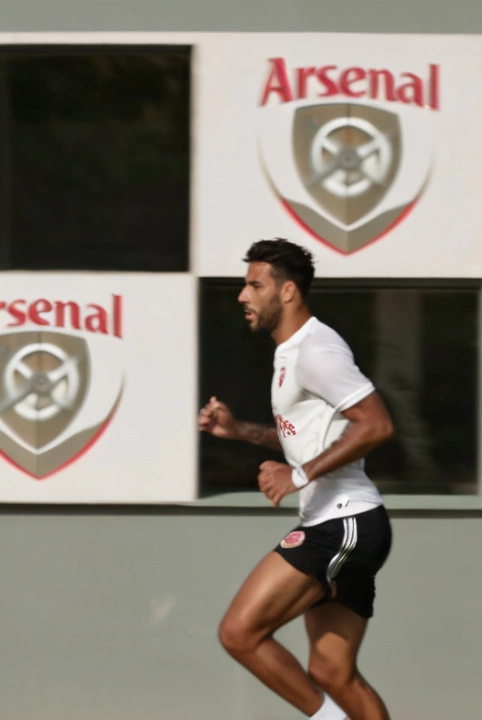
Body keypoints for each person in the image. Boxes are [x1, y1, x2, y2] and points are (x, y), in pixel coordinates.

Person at [199, 238, 396, 720]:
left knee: (239, 633)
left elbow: (377, 424)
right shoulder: (291, 351)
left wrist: (300, 474)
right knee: (332, 673)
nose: (242, 296)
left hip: (341, 523)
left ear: (287, 292)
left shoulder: (316, 351)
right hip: (348, 524)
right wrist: (238, 430)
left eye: (254, 285)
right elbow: (305, 437)